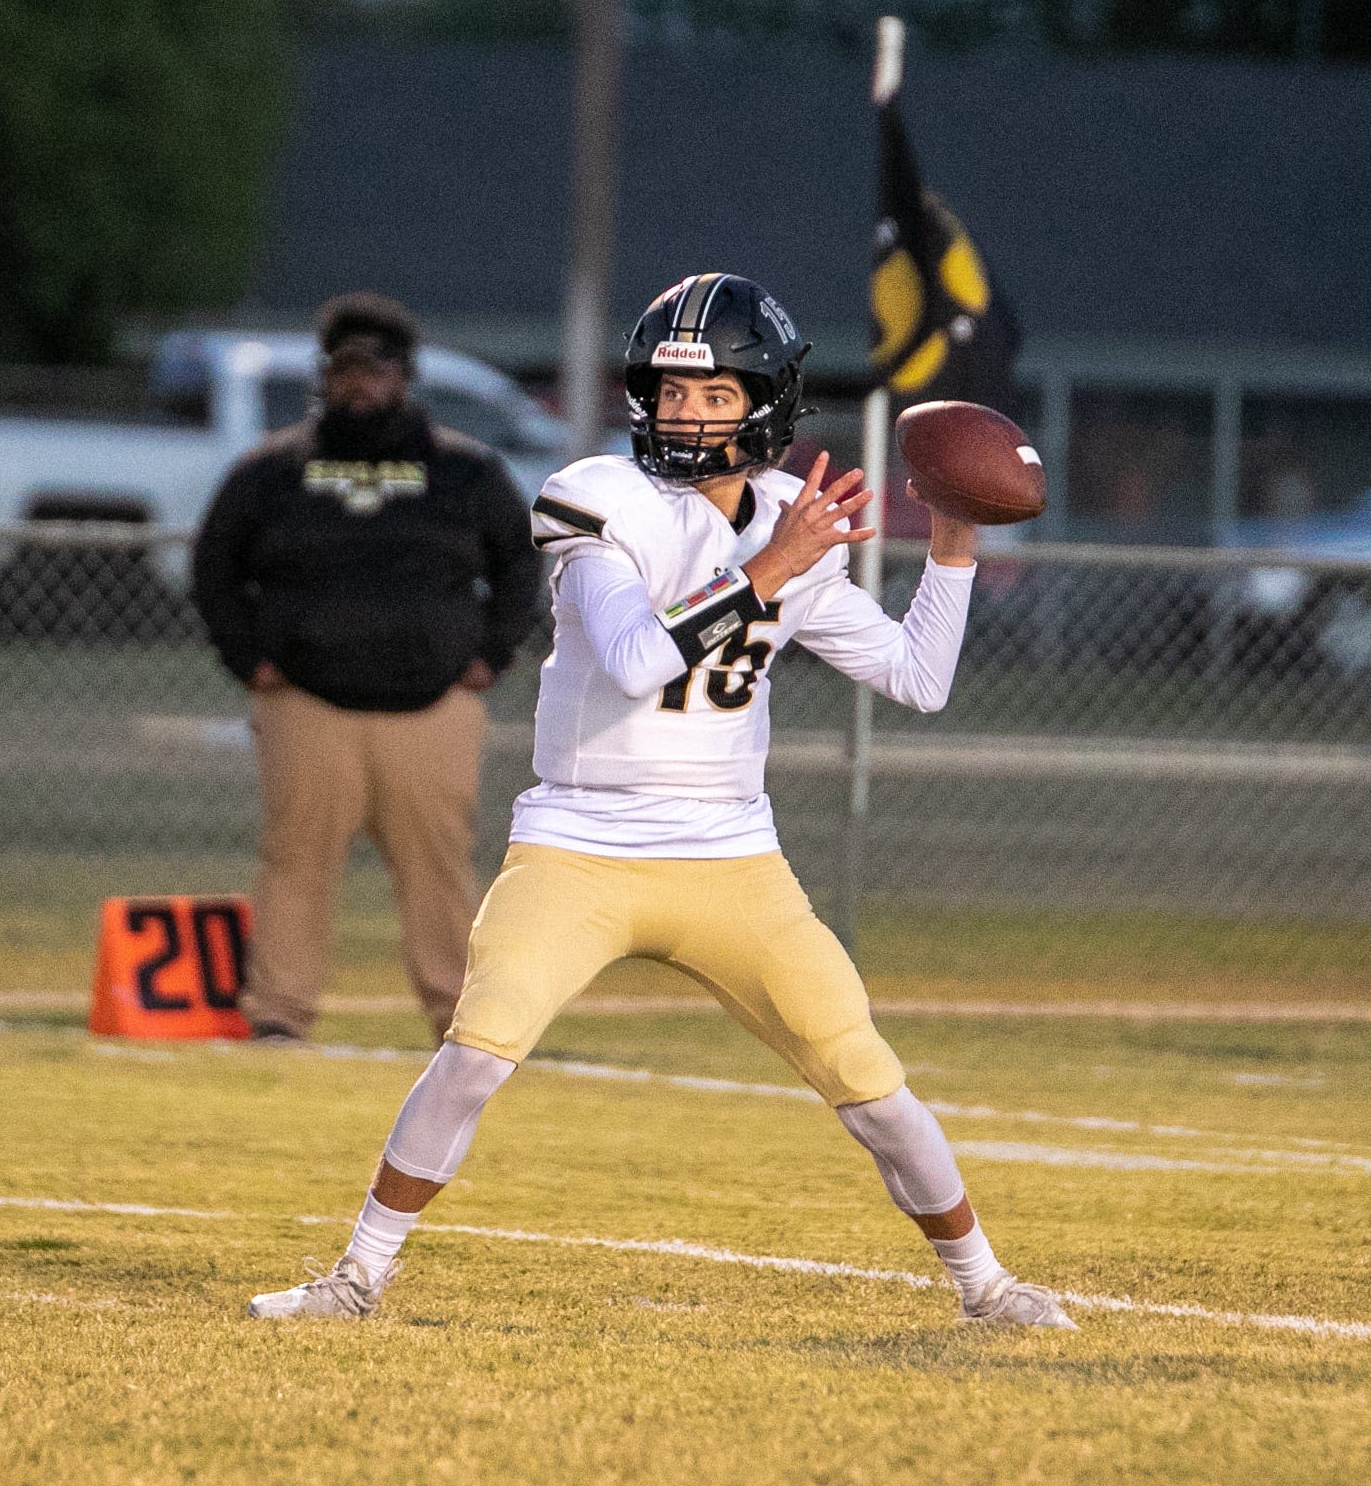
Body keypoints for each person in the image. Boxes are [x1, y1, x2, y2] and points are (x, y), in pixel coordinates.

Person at [248, 273, 1075, 1329]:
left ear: (763, 401)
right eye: (670, 392)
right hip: (580, 842)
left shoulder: (790, 518)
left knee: (870, 1082)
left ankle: (986, 1287)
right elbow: (638, 659)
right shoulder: (599, 494)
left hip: (731, 854)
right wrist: (772, 567)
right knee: (472, 1057)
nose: (684, 414)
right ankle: (354, 1277)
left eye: (714, 395)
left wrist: (954, 548)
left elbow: (920, 677)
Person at [192, 293, 542, 1044]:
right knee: (294, 863)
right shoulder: (272, 471)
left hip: (431, 709)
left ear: (405, 377)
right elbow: (215, 566)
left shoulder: (465, 471)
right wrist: (246, 659)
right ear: (326, 376)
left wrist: (490, 655)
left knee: (439, 869)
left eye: (375, 371)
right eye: (345, 371)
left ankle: (461, 1018)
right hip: (307, 705)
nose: (359, 386)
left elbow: (519, 566)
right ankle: (279, 1012)